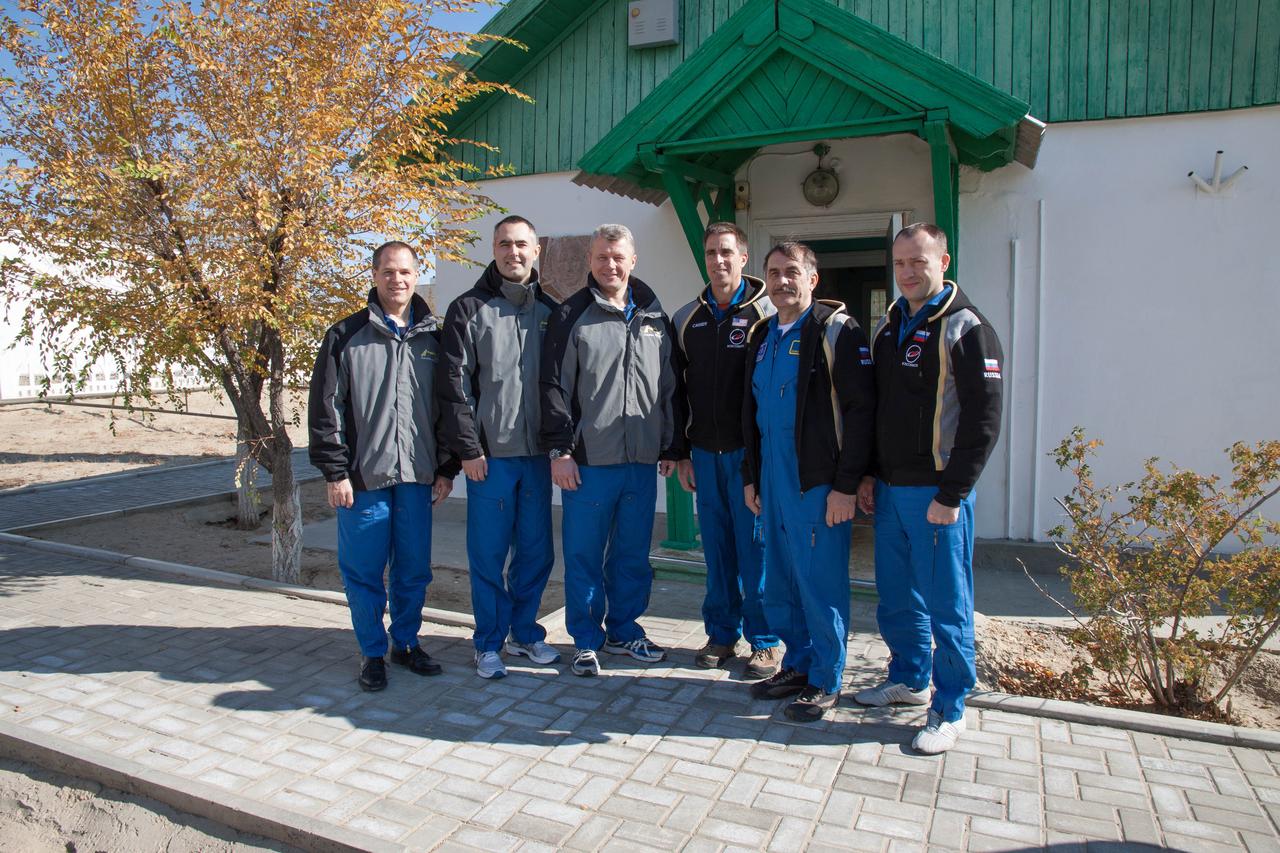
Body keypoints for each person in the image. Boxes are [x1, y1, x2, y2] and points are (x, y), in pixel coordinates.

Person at [854, 222, 1003, 754]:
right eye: (900, 264)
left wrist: (953, 494)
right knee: (897, 597)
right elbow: (876, 411)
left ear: (944, 261)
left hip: (937, 495)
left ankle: (950, 706)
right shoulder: (891, 324)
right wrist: (870, 472)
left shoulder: (967, 327)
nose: (908, 272)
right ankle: (911, 680)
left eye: (918, 261)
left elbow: (983, 421)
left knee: (947, 603)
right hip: (892, 491)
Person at [308, 241, 458, 692]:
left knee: (414, 569)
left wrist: (446, 467)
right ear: (374, 276)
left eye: (406, 272)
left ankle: (406, 643)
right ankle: (373, 652)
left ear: (417, 275)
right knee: (364, 571)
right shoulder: (345, 335)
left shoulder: (436, 337)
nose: (398, 280)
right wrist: (335, 473)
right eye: (388, 272)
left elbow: (450, 407)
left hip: (417, 477)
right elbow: (325, 409)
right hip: (364, 480)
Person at [540, 224, 683, 677]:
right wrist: (560, 451)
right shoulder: (571, 314)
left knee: (632, 553)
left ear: (633, 260)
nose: (610, 265)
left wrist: (671, 443)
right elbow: (554, 387)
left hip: (640, 461)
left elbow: (670, 388)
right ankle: (585, 639)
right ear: (590, 260)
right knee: (584, 552)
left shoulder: (656, 317)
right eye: (602, 257)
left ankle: (624, 630)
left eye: (618, 257)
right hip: (588, 462)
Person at [742, 242, 875, 722]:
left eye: (792, 272)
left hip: (817, 484)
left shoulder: (837, 331)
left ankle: (825, 678)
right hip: (773, 484)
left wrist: (846, 485)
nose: (782, 281)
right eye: (773, 272)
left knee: (819, 584)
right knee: (780, 581)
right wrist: (751, 478)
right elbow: (752, 415)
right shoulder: (763, 336)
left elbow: (860, 414)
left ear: (812, 279)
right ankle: (796, 663)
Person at [438, 216, 561, 680]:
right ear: (494, 248)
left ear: (536, 250)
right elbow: (454, 388)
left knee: (536, 552)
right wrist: (468, 449)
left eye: (522, 244)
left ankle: (525, 634)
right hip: (489, 458)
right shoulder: (468, 308)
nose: (514, 252)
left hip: (536, 458)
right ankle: (488, 643)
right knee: (488, 554)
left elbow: (564, 386)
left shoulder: (552, 310)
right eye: (505, 244)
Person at [671, 222, 781, 679]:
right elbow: (676, 392)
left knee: (755, 549)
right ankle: (721, 634)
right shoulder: (685, 319)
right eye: (712, 252)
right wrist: (681, 451)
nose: (719, 260)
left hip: (747, 457)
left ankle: (765, 641)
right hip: (703, 453)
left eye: (727, 252)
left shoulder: (769, 313)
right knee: (716, 549)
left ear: (744, 256)